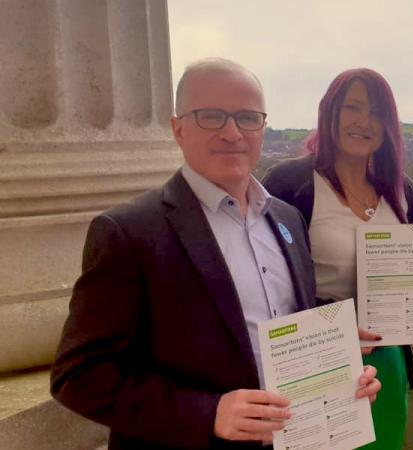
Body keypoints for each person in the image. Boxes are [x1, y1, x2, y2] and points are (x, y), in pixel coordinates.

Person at [50, 58, 381, 449]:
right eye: (211, 116)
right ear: (178, 129)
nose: (231, 133)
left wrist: (338, 351)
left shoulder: (287, 219)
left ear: (262, 126)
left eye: (247, 118)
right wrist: (208, 413)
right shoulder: (129, 232)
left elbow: (283, 313)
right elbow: (79, 376)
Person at [263, 67, 413, 450]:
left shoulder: (403, 193)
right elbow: (265, 282)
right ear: (329, 112)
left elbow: (408, 278)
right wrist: (336, 322)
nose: (363, 121)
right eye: (352, 107)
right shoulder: (289, 184)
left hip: (388, 364)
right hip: (313, 363)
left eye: (377, 112)